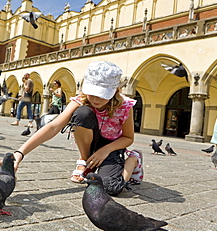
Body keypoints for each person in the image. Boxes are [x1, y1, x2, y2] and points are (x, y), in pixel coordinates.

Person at [10, 61, 143, 196]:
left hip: (112, 146)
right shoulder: (81, 100)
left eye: (102, 95)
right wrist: (19, 154)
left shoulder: (125, 105)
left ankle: (133, 159)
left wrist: (106, 150)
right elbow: (53, 127)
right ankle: (85, 160)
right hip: (91, 141)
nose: (96, 99)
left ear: (115, 91)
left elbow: (128, 138)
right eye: (92, 93)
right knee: (82, 113)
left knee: (111, 188)